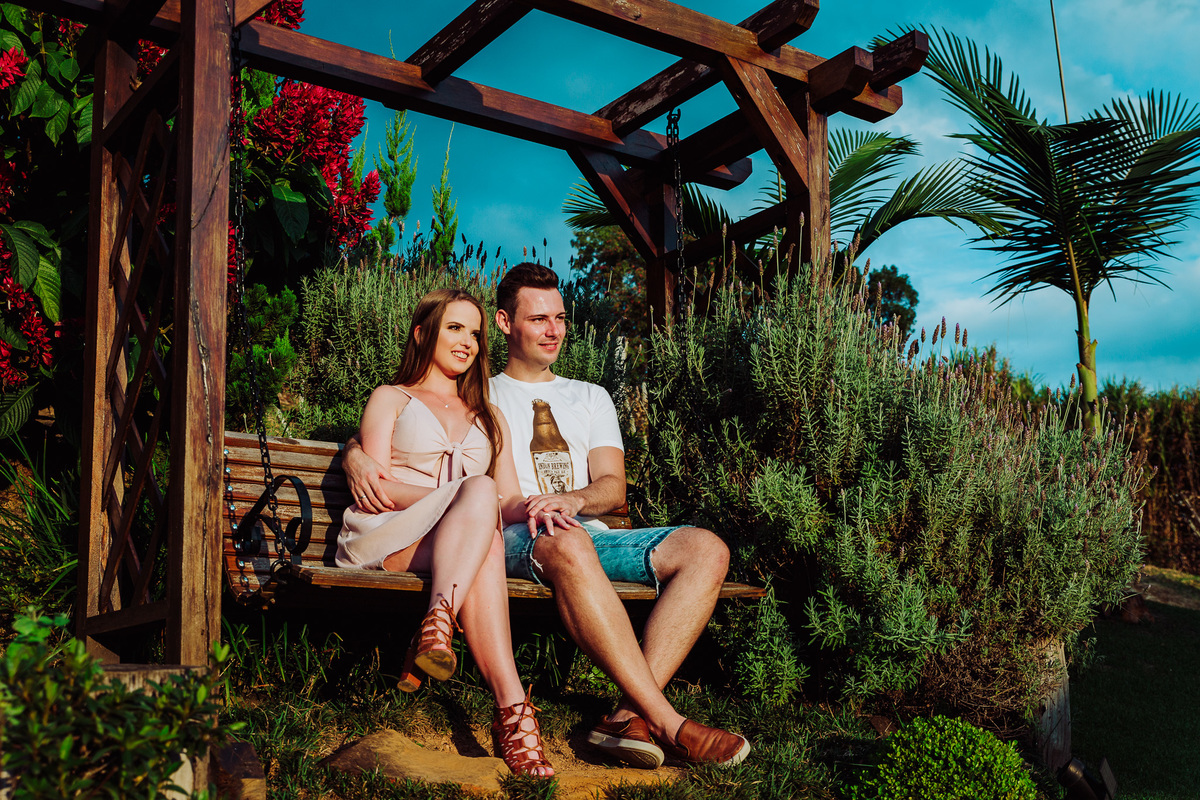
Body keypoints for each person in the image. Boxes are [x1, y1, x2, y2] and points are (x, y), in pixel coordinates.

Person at [346, 265, 751, 769]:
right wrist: (354, 451)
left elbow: (613, 486)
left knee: (707, 549)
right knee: (565, 540)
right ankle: (670, 722)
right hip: (516, 535)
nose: (554, 330)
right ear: (504, 323)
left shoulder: (590, 396)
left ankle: (626, 717)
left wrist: (575, 500)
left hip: (578, 528)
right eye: (538, 319)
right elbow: (417, 422)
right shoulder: (480, 392)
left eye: (559, 318)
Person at [334, 287, 553, 778]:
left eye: (475, 333)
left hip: (456, 542)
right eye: (455, 328)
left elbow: (508, 498)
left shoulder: (490, 417)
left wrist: (543, 508)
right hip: (388, 534)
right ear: (422, 332)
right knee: (477, 500)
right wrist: (459, 495)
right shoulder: (390, 398)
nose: (468, 342)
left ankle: (445, 636)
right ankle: (515, 720)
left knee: (489, 535)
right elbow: (378, 489)